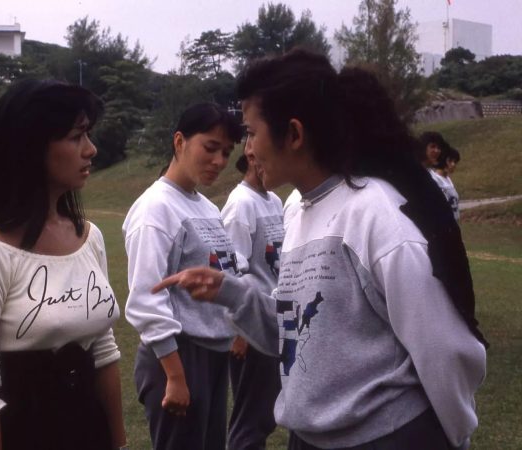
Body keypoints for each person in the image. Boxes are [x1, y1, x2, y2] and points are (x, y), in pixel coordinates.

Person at [153, 49, 488, 450]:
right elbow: (295, 332)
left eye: (251, 133)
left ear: (294, 134)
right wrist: (229, 290)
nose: (249, 151)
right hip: (309, 439)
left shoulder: (377, 216)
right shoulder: (300, 211)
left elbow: (444, 348)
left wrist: (452, 437)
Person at [0, 79, 127, 450]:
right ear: (31, 146)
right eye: (77, 136)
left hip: (89, 434)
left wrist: (119, 442)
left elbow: (104, 350)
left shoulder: (89, 237)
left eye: (89, 134)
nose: (91, 150)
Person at [123, 102, 243, 450]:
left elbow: (227, 273)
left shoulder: (206, 207)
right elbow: (147, 298)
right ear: (179, 142)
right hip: (178, 356)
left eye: (225, 152)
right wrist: (175, 376)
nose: (219, 161)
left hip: (213, 353)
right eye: (210, 148)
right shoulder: (156, 208)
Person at [221, 150, 284, 450]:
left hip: (273, 318)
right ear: (254, 160)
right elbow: (232, 270)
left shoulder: (273, 200)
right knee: (250, 418)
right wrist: (240, 331)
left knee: (266, 413)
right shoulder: (240, 205)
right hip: (251, 326)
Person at [432, 146, 462, 221]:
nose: (453, 164)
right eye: (450, 161)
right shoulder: (434, 180)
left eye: (455, 162)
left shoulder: (448, 179)